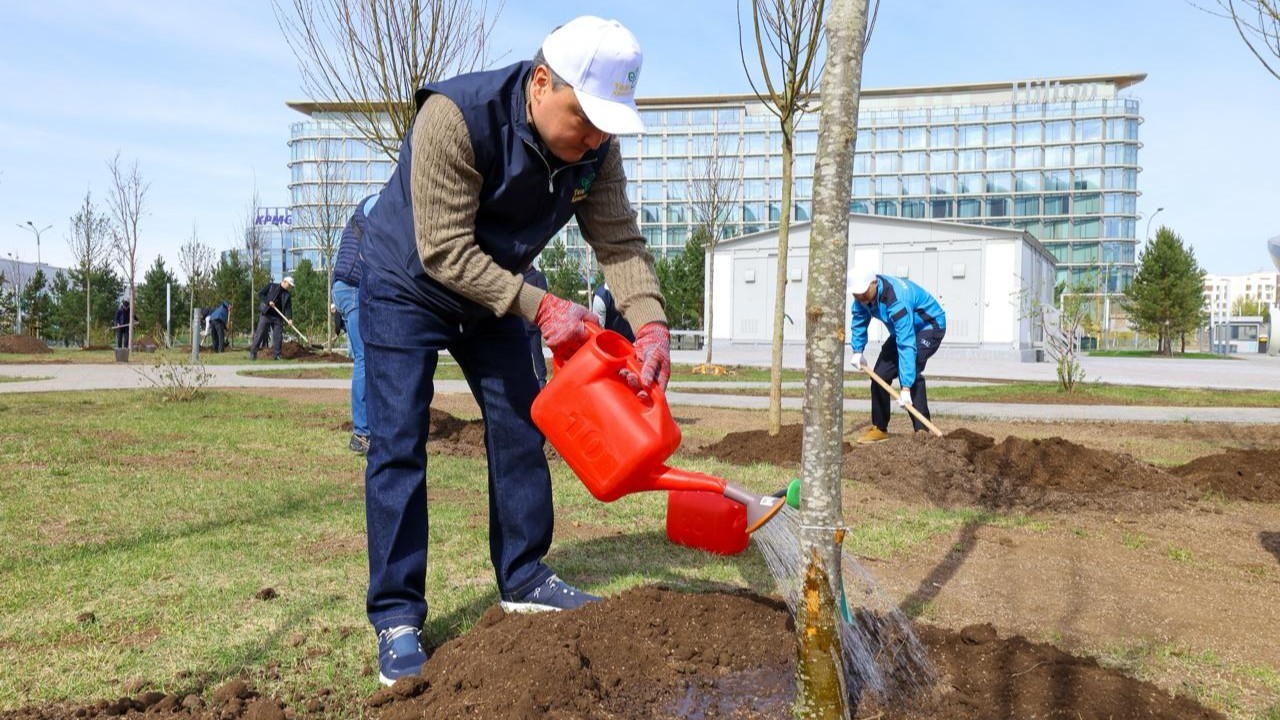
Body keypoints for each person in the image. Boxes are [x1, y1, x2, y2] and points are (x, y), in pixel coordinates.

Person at [358, 15, 671, 686]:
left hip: (498, 292)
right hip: (408, 281)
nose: (593, 138)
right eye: (583, 118)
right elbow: (443, 248)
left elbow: (618, 243)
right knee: (397, 442)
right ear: (539, 83)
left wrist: (651, 323)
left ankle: (524, 573)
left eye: (606, 126)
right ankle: (396, 613)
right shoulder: (455, 117)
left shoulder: (597, 151)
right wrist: (543, 306)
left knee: (524, 428)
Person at [847, 269, 947, 444]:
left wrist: (906, 388)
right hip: (902, 330)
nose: (861, 298)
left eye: (863, 293)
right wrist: (857, 350)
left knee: (911, 372)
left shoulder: (896, 299)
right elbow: (859, 319)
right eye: (857, 294)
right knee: (880, 375)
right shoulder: (862, 298)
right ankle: (879, 428)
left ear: (874, 283)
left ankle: (923, 433)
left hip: (929, 326)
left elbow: (907, 345)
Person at [333, 195, 376, 455]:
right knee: (364, 357)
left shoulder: (371, 205)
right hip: (351, 288)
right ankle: (362, 434)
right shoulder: (375, 205)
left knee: (364, 356)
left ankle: (369, 426)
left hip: (347, 288)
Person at [249, 276, 294, 361]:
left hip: (278, 316)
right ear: (284, 282)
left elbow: (288, 308)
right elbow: (260, 294)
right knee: (260, 333)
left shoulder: (287, 294)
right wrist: (268, 301)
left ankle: (277, 355)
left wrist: (290, 319)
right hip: (266, 314)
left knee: (278, 336)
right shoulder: (271, 286)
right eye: (289, 285)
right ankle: (253, 353)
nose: (290, 287)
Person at [522, 265, 549, 387]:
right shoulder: (518, 277)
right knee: (522, 354)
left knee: (537, 352)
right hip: (520, 324)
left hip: (533, 324)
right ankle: (526, 379)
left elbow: (544, 298)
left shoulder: (538, 276)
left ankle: (542, 379)